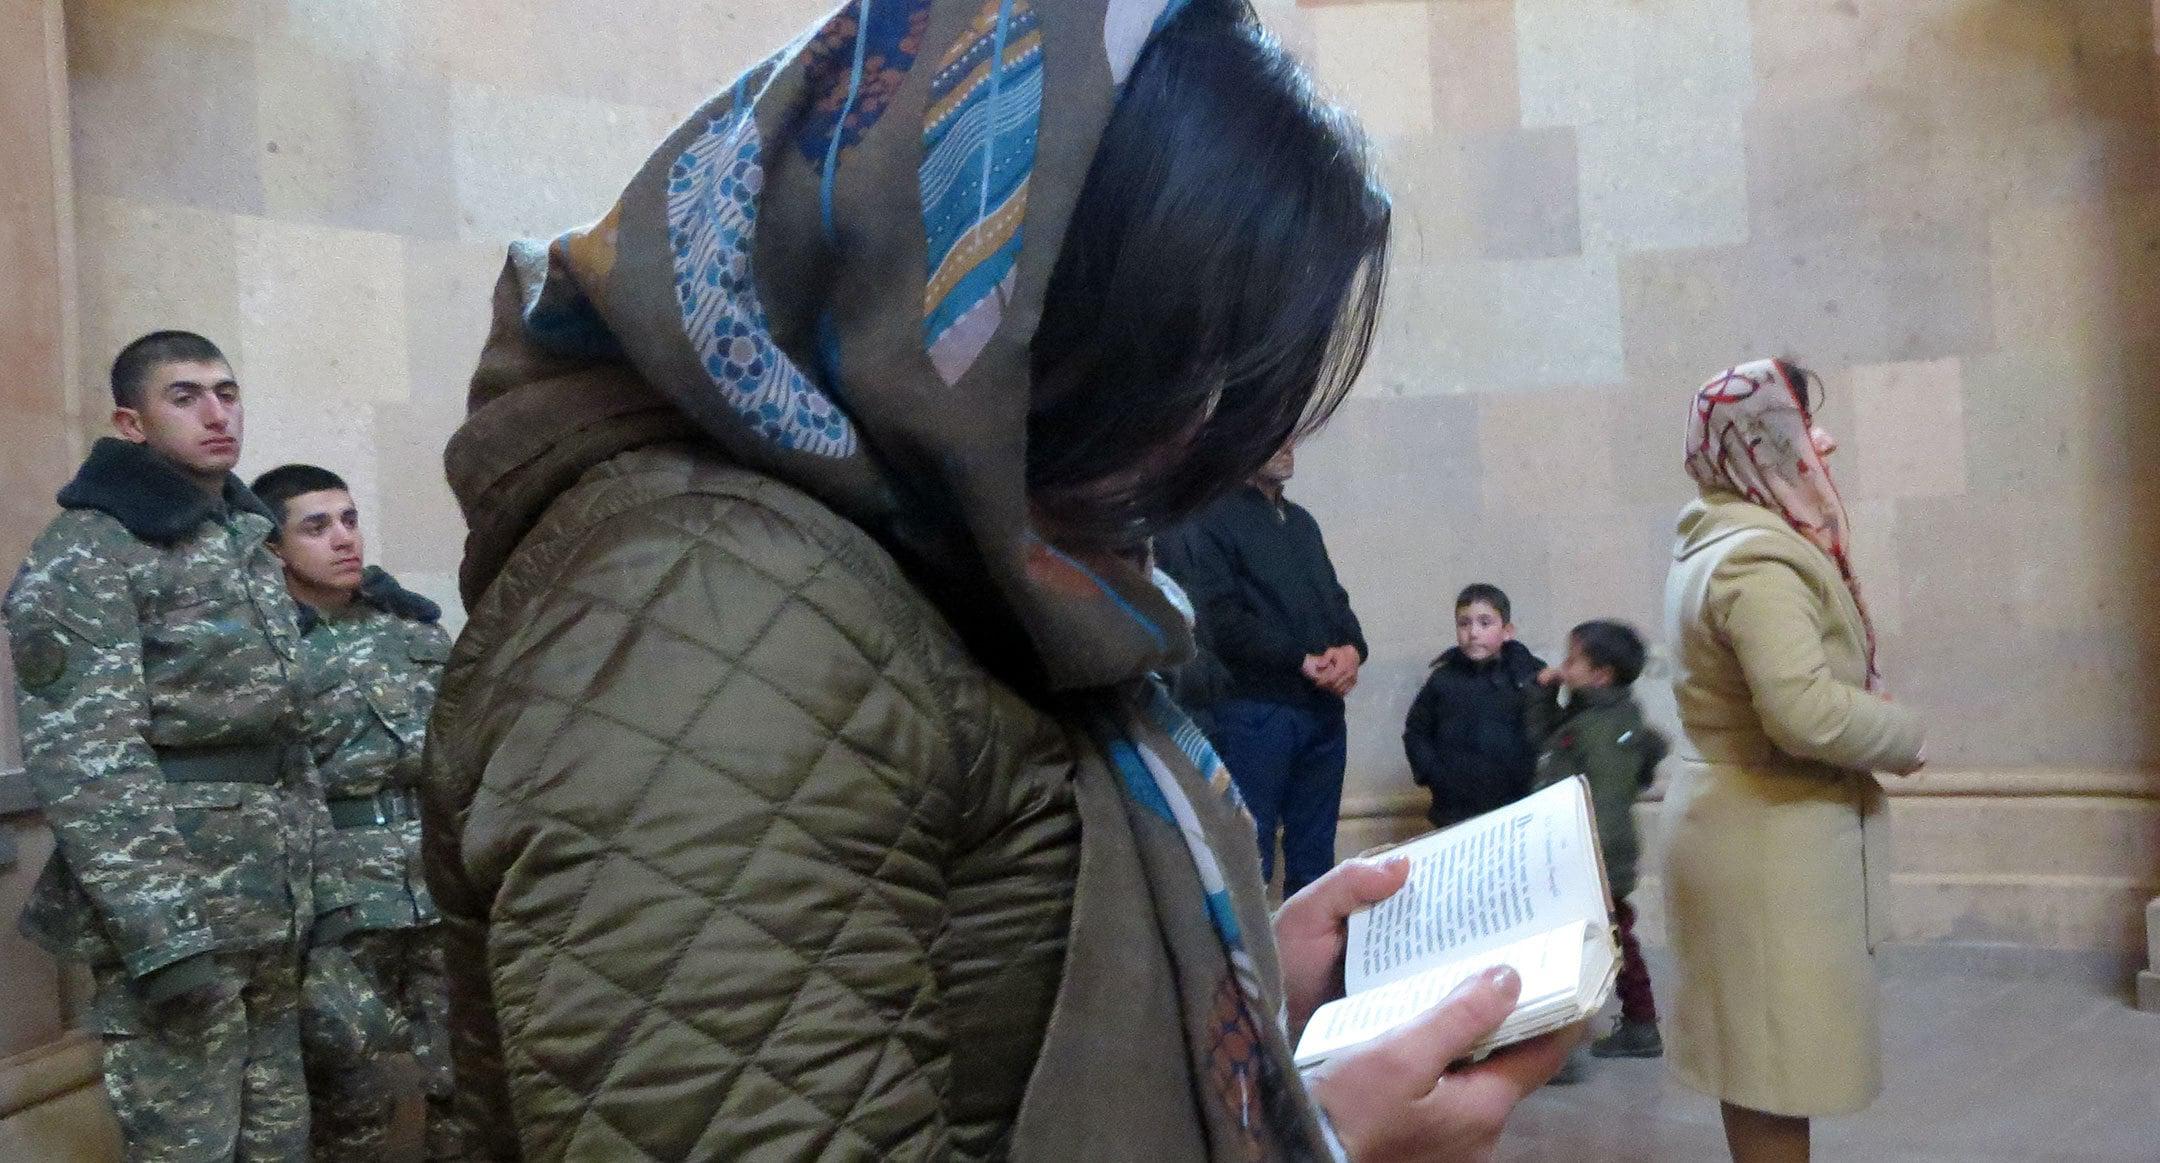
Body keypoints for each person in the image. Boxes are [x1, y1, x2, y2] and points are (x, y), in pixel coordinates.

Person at [421, 1, 1575, 1157]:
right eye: (1175, 355)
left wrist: (1235, 985)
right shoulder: (704, 612)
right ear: (992, 278)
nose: (1196, 431)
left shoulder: (926, 556)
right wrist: (1325, 1141)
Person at [4, 331, 347, 1160]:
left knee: (280, 1138)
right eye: (184, 396)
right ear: (132, 423)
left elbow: (286, 734)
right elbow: (90, 762)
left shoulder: (241, 539)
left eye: (227, 392)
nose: (216, 413)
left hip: (272, 902)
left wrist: (325, 888)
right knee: (188, 1146)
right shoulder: (92, 548)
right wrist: (165, 937)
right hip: (183, 910)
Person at [1660, 358, 1926, 1163]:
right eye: (1805, 426)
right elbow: (1801, 711)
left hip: (1747, 829)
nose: (1825, 442)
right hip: (1767, 841)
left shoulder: (1719, 535)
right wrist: (1902, 733)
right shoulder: (1757, 557)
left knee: (1760, 1066)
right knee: (1772, 1071)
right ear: (1764, 441)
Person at [251, 464, 463, 1160]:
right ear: (275, 547)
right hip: (337, 897)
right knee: (349, 1087)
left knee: (464, 1077)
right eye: (316, 527)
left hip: (435, 881)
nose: (343, 538)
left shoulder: (412, 630)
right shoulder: (263, 647)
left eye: (349, 519)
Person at [1163, 444, 1367, 895]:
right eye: (1275, 434)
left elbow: (1335, 600)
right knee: (1249, 858)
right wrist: (1299, 659)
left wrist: (1353, 650)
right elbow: (1219, 618)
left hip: (1321, 709)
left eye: (1291, 434)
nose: (1287, 446)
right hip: (1256, 710)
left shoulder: (1302, 522)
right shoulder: (1213, 517)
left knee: (1317, 863)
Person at [1527, 620, 1667, 1065]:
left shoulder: (1603, 729)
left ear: (1601, 675)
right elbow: (1543, 740)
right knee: (1612, 941)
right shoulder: (1591, 715)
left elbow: (1605, 801)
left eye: (1572, 661)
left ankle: (1562, 1048)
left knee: (1578, 951)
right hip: (1582, 853)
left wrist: (1591, 865)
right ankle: (1638, 1023)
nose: (1562, 666)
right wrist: (1545, 694)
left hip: (1591, 858)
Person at [1403, 583, 1546, 828]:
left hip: (1517, 806)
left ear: (1507, 631)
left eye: (1485, 623)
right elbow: (1416, 731)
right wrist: (1433, 774)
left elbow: (1547, 730)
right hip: (1454, 809)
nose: (1473, 633)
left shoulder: (1528, 676)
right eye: (1464, 623)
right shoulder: (1443, 680)